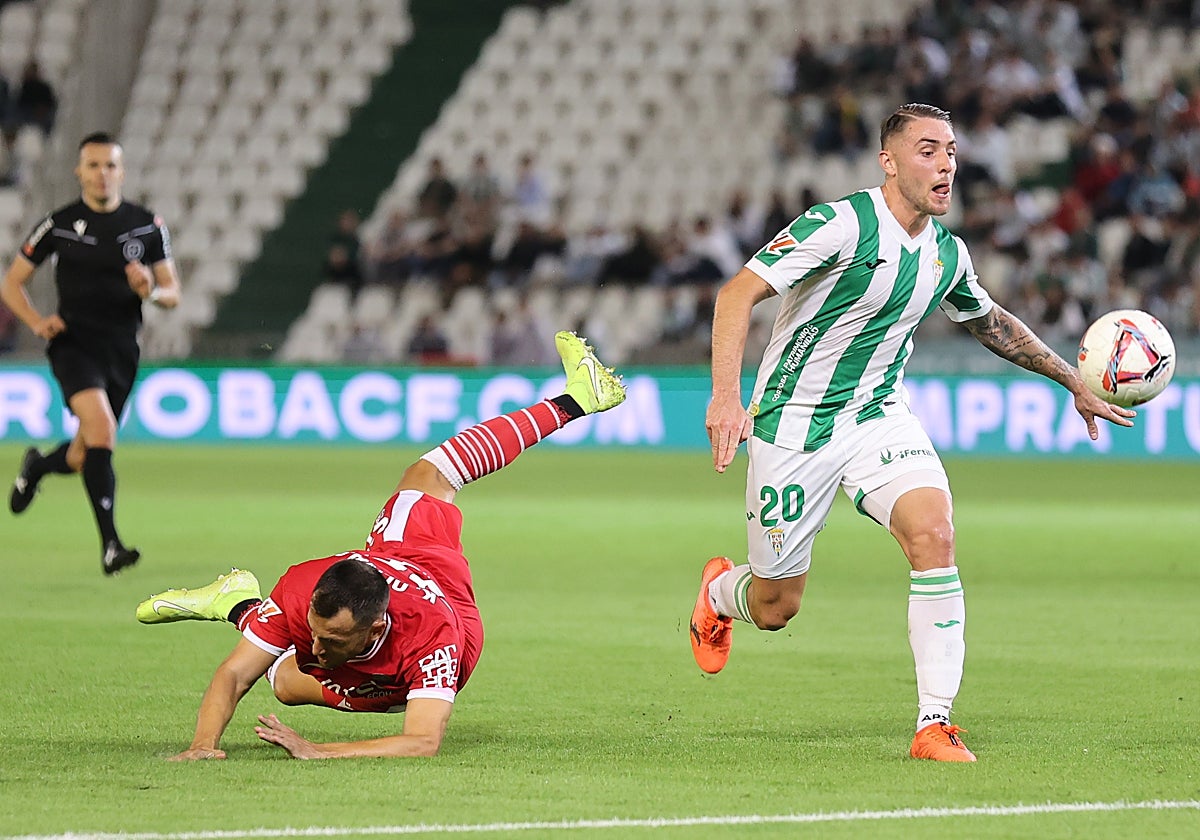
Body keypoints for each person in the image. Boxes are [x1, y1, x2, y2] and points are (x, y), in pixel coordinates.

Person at [690, 104, 1135, 763]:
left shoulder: (946, 255)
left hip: (877, 416)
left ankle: (934, 724)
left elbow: (991, 323)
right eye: (928, 150)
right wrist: (726, 397)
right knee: (777, 604)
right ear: (889, 161)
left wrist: (1072, 378)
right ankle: (719, 592)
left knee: (935, 533)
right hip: (793, 425)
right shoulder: (839, 225)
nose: (947, 164)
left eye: (952, 151)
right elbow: (736, 294)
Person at [135, 331, 625, 760]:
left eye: (331, 642)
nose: (316, 646)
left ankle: (576, 398)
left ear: (373, 628)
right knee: (426, 477)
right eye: (315, 634)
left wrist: (318, 750)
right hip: (395, 558)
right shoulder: (302, 588)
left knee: (286, 683)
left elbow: (422, 741)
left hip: (441, 594)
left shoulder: (432, 641)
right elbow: (233, 675)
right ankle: (236, 600)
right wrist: (203, 745)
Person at [1, 131, 180, 574]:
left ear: (122, 171)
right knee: (101, 429)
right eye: (94, 166)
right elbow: (11, 281)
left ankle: (38, 466)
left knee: (86, 452)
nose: (102, 174)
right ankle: (112, 545)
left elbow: (173, 292)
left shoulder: (146, 225)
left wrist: (150, 292)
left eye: (110, 166)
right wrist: (38, 322)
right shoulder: (59, 223)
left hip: (122, 351)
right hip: (74, 346)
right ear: (79, 171)